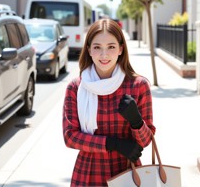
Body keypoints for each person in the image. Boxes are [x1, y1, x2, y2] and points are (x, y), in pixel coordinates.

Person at [62, 19, 155, 187]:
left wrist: (137, 122)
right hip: (88, 173)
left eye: (111, 47)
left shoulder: (138, 86)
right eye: (97, 47)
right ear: (89, 50)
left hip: (127, 171)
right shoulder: (76, 87)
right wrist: (113, 144)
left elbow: (146, 141)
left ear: (120, 49)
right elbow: (70, 137)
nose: (104, 55)